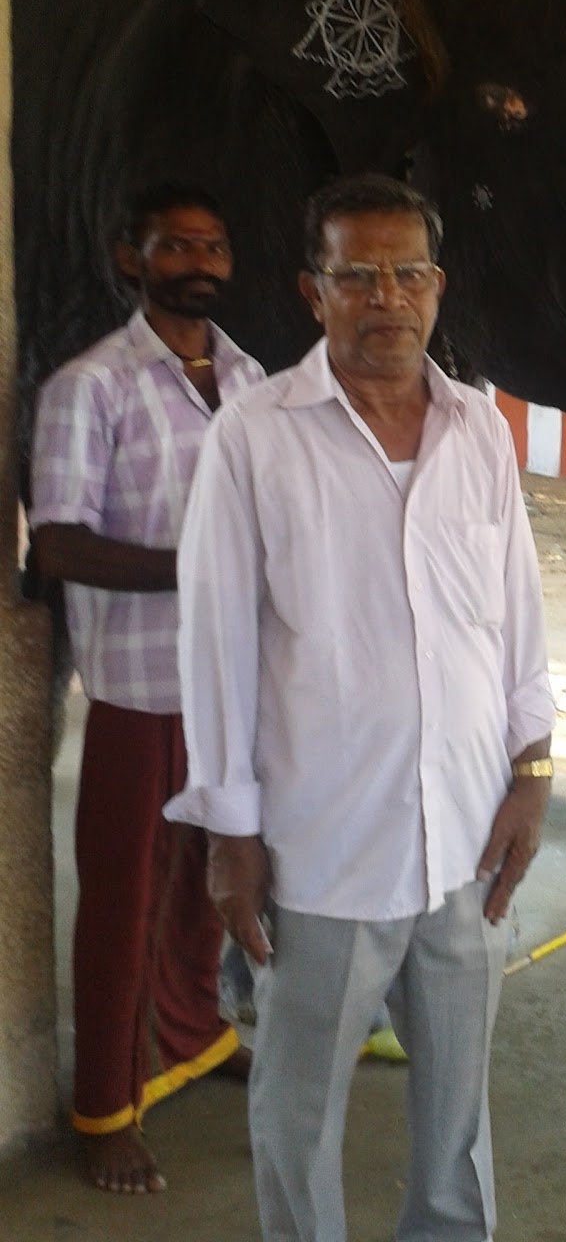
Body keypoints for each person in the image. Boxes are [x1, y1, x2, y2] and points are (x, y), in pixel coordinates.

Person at [166, 173, 556, 1242]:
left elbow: (518, 620)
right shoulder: (255, 437)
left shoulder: (479, 430)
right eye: (359, 276)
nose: (388, 297)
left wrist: (532, 771)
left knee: (458, 1116)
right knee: (299, 1112)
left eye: (408, 273)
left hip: (468, 841)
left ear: (437, 285)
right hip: (326, 851)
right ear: (314, 291)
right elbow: (215, 647)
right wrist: (230, 836)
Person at [29, 182, 264, 1195]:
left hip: (236, 684)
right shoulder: (90, 385)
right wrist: (200, 568)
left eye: (213, 245)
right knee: (123, 898)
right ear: (133, 258)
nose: (198, 261)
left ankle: (195, 1035)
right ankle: (105, 1107)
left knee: (213, 881)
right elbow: (60, 544)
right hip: (139, 686)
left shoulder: (252, 379)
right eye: (176, 245)